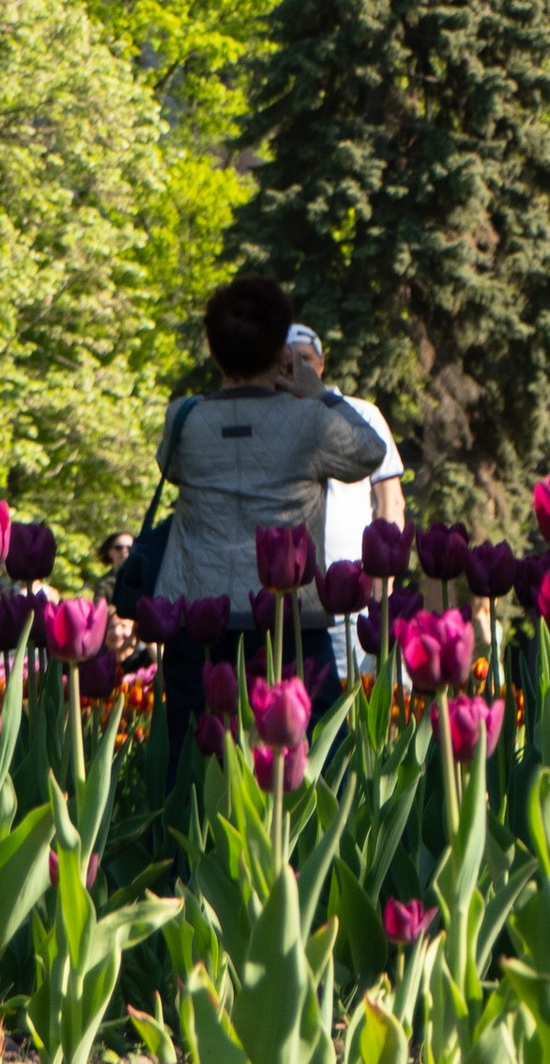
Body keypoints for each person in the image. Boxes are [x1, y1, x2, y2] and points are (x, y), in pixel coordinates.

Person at [152, 273, 387, 775]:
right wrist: (318, 393)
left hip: (200, 617)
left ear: (214, 351)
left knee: (192, 771)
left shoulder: (184, 419)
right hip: (289, 621)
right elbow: (370, 452)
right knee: (314, 766)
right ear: (280, 349)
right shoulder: (309, 421)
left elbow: (169, 468)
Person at [285, 321, 404, 678]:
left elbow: (390, 502)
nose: (298, 369)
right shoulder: (272, 421)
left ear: (321, 364)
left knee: (353, 698)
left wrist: (383, 580)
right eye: (288, 362)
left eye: (306, 359)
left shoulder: (360, 415)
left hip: (351, 594)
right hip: (285, 601)